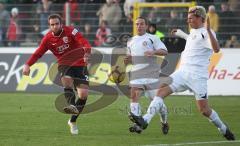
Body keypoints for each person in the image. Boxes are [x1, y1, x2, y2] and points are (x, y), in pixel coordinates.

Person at [129, 6, 235, 140]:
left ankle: (223, 128)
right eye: (188, 18)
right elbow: (192, 39)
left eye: (191, 18)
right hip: (183, 72)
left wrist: (208, 30)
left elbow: (216, 49)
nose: (188, 20)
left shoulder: (206, 32)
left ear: (200, 18)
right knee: (161, 91)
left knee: (204, 110)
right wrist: (180, 33)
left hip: (197, 76)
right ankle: (145, 120)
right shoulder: (194, 32)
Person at [22, 14, 91, 135]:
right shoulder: (47, 39)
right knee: (67, 79)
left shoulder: (71, 31)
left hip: (80, 64)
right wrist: (27, 64)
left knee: (83, 95)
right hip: (64, 64)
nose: (54, 26)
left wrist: (87, 52)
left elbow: (83, 41)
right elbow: (38, 53)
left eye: (56, 24)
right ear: (49, 25)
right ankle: (71, 104)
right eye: (52, 24)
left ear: (61, 23)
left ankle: (73, 121)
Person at [124, 17, 168, 134]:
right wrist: (128, 60)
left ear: (146, 25)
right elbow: (131, 58)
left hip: (151, 74)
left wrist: (153, 52)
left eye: (141, 24)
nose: (139, 26)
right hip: (137, 74)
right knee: (134, 97)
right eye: (137, 24)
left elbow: (164, 51)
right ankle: (138, 125)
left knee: (158, 103)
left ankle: (164, 121)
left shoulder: (153, 38)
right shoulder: (130, 41)